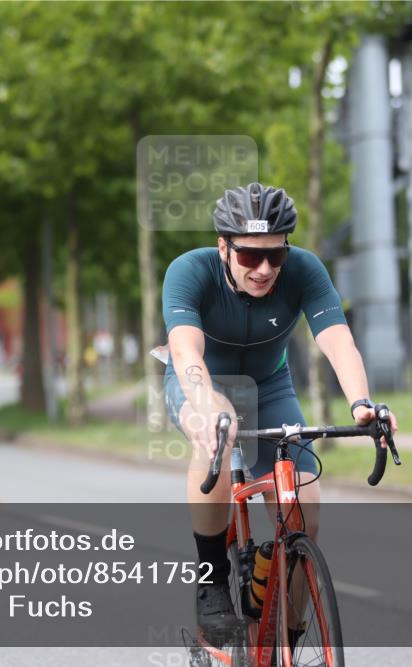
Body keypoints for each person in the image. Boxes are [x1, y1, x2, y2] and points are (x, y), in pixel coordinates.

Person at [161, 183, 399, 639]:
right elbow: (186, 349)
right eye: (250, 256)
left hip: (271, 385)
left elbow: (336, 339)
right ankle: (211, 580)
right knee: (211, 436)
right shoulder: (189, 271)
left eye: (276, 255)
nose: (265, 269)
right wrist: (207, 401)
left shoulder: (306, 270)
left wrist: (362, 404)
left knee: (304, 504)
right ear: (223, 247)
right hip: (200, 380)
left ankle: (285, 631)